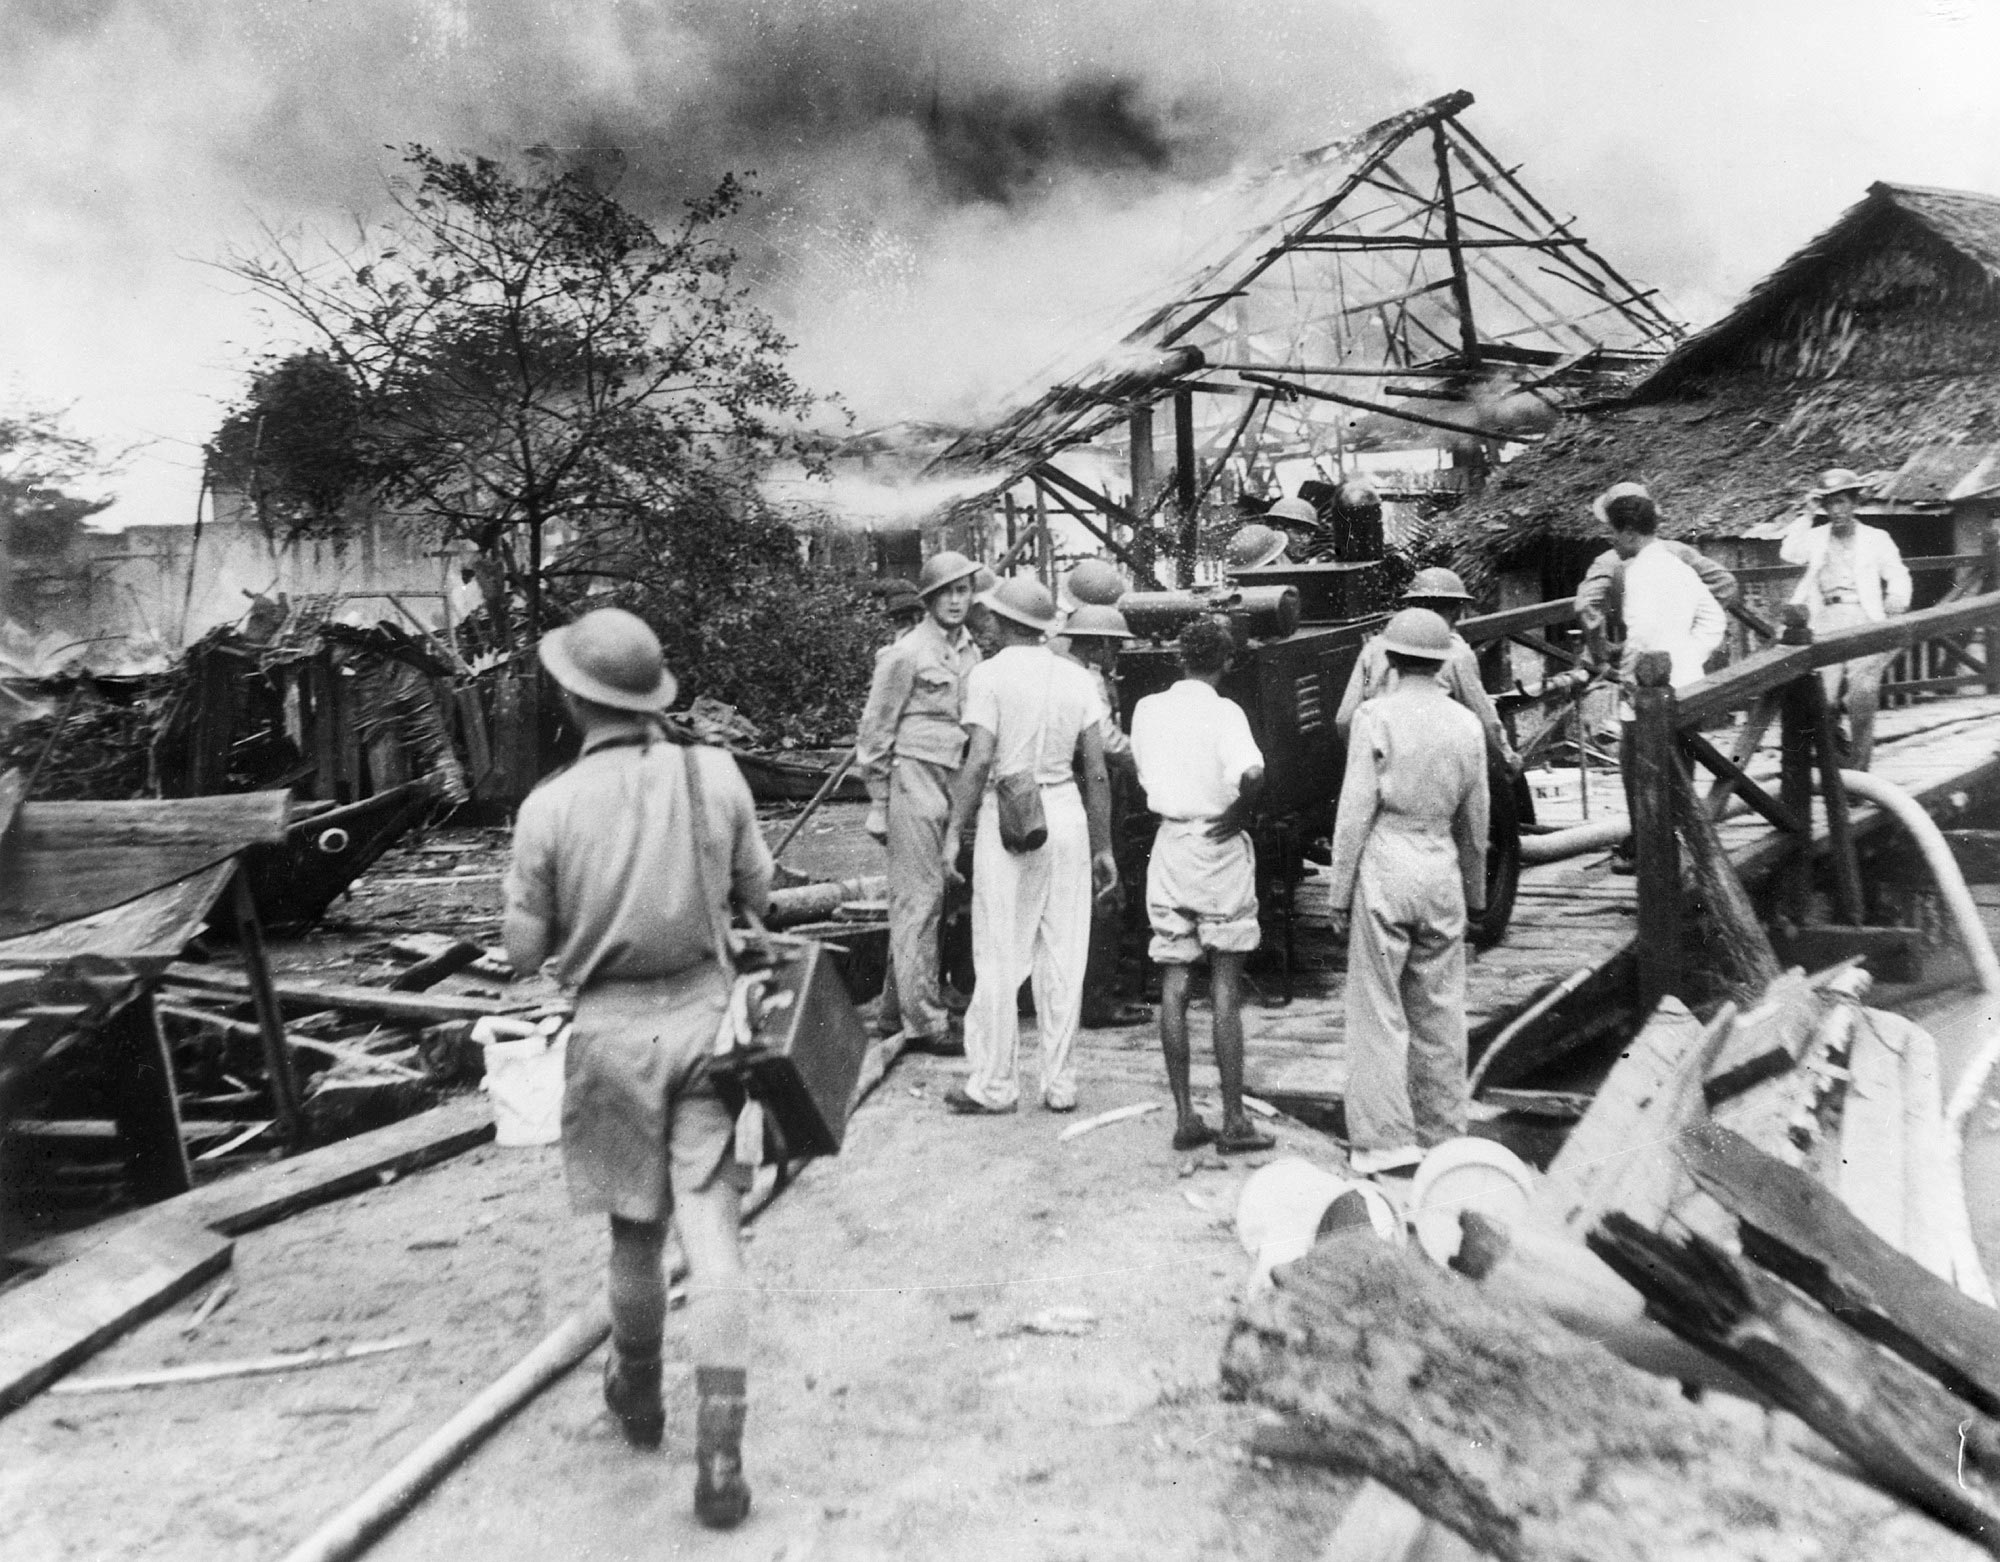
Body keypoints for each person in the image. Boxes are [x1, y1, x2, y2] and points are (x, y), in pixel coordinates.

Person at [502, 608, 770, 1529]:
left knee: (633, 1235)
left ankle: (642, 1394)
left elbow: (521, 951)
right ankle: (724, 1455)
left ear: (575, 698)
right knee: (716, 1236)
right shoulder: (716, 774)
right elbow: (758, 893)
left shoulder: (549, 806)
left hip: (611, 1034)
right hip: (707, 1022)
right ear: (653, 694)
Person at [939, 576, 1118, 1114]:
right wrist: (1103, 847)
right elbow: (1098, 773)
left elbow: (977, 763)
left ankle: (994, 1084)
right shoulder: (1077, 679)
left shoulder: (986, 677)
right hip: (1065, 813)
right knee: (1063, 954)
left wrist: (953, 834)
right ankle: (1059, 1084)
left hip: (1008, 817)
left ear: (1001, 620)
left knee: (998, 951)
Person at [1326, 608, 1488, 1178]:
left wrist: (1339, 892)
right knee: (1441, 1009)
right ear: (1445, 664)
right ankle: (1444, 1134)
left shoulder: (1375, 717)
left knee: (1378, 1009)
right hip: (1439, 859)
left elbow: (1353, 813)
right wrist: (1477, 895)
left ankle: (1385, 1143)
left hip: (1387, 859)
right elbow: (1478, 820)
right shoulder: (1466, 725)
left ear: (1389, 659)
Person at [1129, 615, 1277, 1155]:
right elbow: (1254, 774)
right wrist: (1240, 814)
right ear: (1228, 661)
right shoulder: (1225, 712)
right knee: (1224, 986)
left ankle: (1186, 1116)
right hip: (1217, 848)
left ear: (1179, 657)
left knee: (1172, 979)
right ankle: (1235, 1120)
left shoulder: (1148, 709)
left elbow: (1138, 768)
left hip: (1169, 845)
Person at [854, 551, 982, 1054]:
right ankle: (926, 1022)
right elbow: (874, 733)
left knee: (929, 900)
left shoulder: (971, 652)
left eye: (963, 591)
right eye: (946, 592)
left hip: (953, 781)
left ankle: (895, 1011)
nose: (956, 600)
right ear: (928, 599)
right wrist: (880, 802)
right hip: (913, 780)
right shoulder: (905, 653)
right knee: (919, 902)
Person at [1059, 602, 1152, 1030]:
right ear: (1097, 645)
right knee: (1105, 890)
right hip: (1091, 786)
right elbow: (1108, 743)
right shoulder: (1086, 680)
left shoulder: (1063, 669)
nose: (1118, 654)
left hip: (1074, 786)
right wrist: (1150, 757)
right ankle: (1097, 997)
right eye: (1114, 646)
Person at [1780, 467, 1911, 769]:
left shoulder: (1876, 538)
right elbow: (1789, 553)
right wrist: (1808, 514)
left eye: (1842, 502)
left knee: (1861, 697)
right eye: (1829, 504)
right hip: (1824, 618)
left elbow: (1898, 573)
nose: (1836, 511)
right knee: (1822, 699)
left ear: (1854, 502)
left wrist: (1896, 597)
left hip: (1863, 617)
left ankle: (1859, 770)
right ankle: (1834, 765)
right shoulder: (1815, 537)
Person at [1334, 567, 1519, 770]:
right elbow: (1483, 717)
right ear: (1457, 610)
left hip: (1381, 763)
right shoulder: (1455, 652)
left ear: (1411, 606)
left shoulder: (1375, 647)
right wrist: (1507, 759)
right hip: (1435, 767)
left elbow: (1345, 719)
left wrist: (1368, 763)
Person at [1574, 484, 1740, 673]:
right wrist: (1685, 619)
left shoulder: (1608, 562)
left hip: (1638, 659)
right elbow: (1725, 583)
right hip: (1681, 653)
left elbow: (1586, 605)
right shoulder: (1677, 551)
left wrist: (1600, 653)